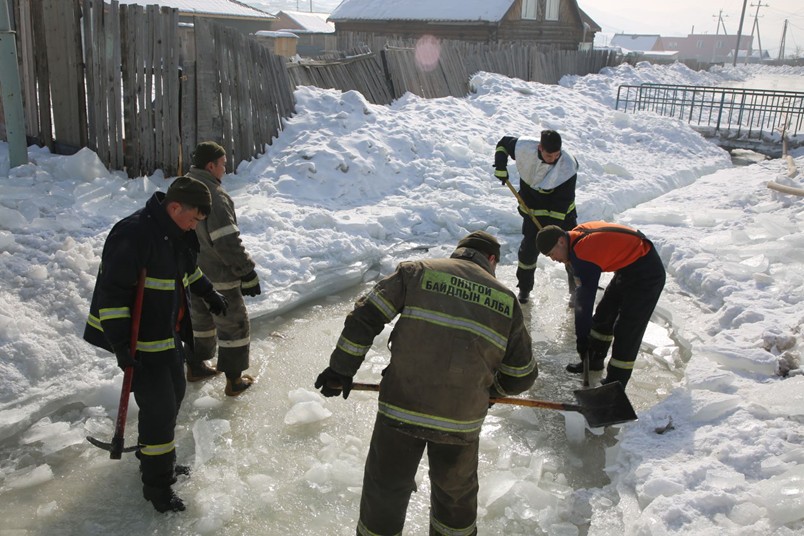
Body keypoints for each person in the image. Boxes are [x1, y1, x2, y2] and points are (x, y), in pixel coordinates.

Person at [315, 231, 538, 536]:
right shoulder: (505, 300)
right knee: (455, 502)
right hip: (461, 423)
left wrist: (340, 370)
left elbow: (365, 316)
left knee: (385, 492)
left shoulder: (417, 272)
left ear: (459, 252)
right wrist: (489, 393)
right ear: (491, 259)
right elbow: (522, 375)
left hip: (401, 410)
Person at [84, 177, 229, 513]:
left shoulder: (176, 232)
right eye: (193, 218)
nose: (195, 225)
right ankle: (157, 487)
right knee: (160, 410)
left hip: (167, 334)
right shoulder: (133, 234)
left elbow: (186, 270)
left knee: (174, 396)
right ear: (175, 207)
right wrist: (122, 347)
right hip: (139, 341)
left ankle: (159, 460)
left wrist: (207, 291)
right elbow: (113, 294)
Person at [535, 221, 666, 386]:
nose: (553, 259)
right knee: (604, 315)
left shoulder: (583, 253)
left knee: (627, 331)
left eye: (552, 254)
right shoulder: (574, 239)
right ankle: (594, 361)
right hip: (627, 268)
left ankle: (615, 383)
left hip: (647, 273)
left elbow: (585, 301)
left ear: (561, 241)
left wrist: (582, 338)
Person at [185, 141, 261, 396]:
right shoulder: (214, 197)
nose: (224, 171)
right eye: (223, 165)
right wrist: (246, 272)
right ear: (210, 165)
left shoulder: (182, 186)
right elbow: (227, 241)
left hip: (191, 274)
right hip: (218, 277)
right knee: (233, 325)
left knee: (199, 322)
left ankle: (196, 367)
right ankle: (234, 381)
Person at [494, 129, 579, 305]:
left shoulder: (568, 167)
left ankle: (576, 292)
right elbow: (503, 144)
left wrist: (552, 234)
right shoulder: (525, 148)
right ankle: (524, 289)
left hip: (562, 215)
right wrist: (500, 166)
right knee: (528, 251)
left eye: (557, 155)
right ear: (540, 148)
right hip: (533, 210)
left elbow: (562, 203)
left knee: (572, 252)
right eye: (549, 155)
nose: (553, 159)